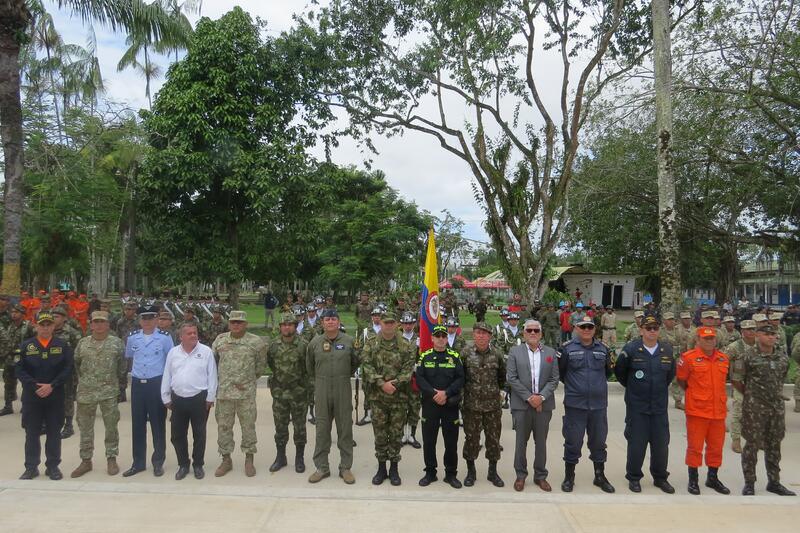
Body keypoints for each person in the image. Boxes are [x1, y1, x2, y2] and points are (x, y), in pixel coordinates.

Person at [615, 315, 676, 493]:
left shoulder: (666, 350)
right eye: (648, 328)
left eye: (655, 328)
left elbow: (669, 375)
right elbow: (621, 373)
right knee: (636, 444)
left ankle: (660, 477)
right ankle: (634, 477)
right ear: (641, 330)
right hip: (637, 407)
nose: (652, 331)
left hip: (658, 407)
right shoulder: (631, 349)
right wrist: (635, 389)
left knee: (661, 444)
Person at [732, 324, 795, 496]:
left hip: (776, 408)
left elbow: (781, 378)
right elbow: (737, 380)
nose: (771, 337)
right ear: (758, 335)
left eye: (773, 334)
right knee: (752, 445)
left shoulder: (781, 357)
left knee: (774, 445)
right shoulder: (747, 356)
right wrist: (752, 394)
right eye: (767, 334)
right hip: (755, 408)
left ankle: (774, 482)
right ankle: (749, 483)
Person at [557, 315, 615, 493]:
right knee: (573, 441)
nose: (587, 330)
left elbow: (607, 372)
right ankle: (569, 476)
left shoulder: (603, 349)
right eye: (583, 327)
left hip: (598, 405)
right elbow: (561, 373)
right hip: (576, 405)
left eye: (590, 327)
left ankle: (599, 475)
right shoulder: (566, 349)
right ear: (576, 328)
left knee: (598, 441)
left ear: (594, 329)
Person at [16, 312, 74, 480]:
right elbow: (19, 369)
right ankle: (31, 467)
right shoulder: (26, 346)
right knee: (31, 433)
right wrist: (35, 386)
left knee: (54, 432)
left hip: (54, 396)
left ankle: (53, 466)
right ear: (36, 326)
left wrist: (52, 385)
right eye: (42, 324)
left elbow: (68, 368)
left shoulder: (62, 345)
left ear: (53, 327)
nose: (46, 328)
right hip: (32, 397)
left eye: (49, 324)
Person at [360, 312, 416, 486]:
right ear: (381, 323)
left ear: (397, 324)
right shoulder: (371, 344)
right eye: (386, 323)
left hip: (398, 398)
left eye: (392, 323)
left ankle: (394, 468)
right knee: (380, 434)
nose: (389, 326)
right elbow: (366, 366)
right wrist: (381, 384)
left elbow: (408, 370)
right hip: (378, 398)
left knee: (396, 434)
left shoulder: (406, 346)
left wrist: (395, 383)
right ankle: (381, 467)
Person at [306, 308, 359, 484]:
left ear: (338, 321)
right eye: (327, 319)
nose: (330, 322)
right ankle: (322, 467)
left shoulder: (349, 341)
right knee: (322, 430)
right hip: (321, 388)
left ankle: (345, 468)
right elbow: (310, 367)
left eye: (333, 319)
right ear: (322, 323)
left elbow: (354, 364)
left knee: (345, 429)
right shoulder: (314, 343)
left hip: (342, 387)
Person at [70, 311, 127, 478]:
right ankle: (86, 460)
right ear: (91, 324)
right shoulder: (82, 343)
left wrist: (114, 383)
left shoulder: (116, 343)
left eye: (103, 322)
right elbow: (76, 365)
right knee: (85, 428)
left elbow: (122, 367)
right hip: (86, 392)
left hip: (109, 392)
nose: (99, 325)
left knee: (111, 427)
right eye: (96, 322)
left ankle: (111, 457)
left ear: (108, 324)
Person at [213, 310, 268, 477]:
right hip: (224, 394)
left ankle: (249, 459)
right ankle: (226, 459)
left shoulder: (256, 342)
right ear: (229, 323)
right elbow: (213, 362)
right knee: (223, 427)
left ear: (246, 324)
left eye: (239, 322)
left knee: (248, 427)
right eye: (233, 322)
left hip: (246, 395)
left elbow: (260, 367)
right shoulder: (220, 340)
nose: (236, 325)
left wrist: (246, 381)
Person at [676, 326, 730, 495]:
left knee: (716, 447)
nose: (709, 341)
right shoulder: (688, 358)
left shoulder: (723, 359)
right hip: (697, 411)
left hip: (718, 411)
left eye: (712, 338)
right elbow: (682, 380)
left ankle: (712, 478)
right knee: (695, 447)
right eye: (705, 339)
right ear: (698, 340)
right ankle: (693, 480)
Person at [507, 319, 559, 492]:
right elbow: (512, 378)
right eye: (529, 330)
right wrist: (530, 397)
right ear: (523, 333)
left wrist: (541, 397)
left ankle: (540, 476)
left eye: (536, 330)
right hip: (522, 405)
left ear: (541, 333)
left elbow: (554, 379)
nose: (532, 333)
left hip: (543, 406)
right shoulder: (515, 352)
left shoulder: (550, 352)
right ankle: (520, 475)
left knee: (541, 442)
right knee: (521, 442)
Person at [123, 305, 175, 478]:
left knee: (157, 425)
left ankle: (158, 462)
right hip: (138, 384)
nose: (147, 322)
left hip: (156, 384)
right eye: (144, 318)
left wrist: (169, 388)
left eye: (151, 318)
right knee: (137, 425)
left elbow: (171, 362)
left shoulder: (165, 338)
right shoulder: (132, 338)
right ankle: (138, 463)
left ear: (156, 320)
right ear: (139, 320)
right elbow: (130, 357)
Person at [162, 322, 217, 480]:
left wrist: (210, 397)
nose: (193, 335)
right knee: (177, 435)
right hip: (177, 399)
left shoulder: (206, 352)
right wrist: (165, 396)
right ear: (181, 337)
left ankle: (198, 464)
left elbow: (212, 375)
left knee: (199, 434)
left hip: (199, 399)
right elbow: (167, 374)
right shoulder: (173, 352)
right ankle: (183, 464)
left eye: (194, 332)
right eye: (189, 333)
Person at [416, 325, 465, 489]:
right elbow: (420, 379)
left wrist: (446, 393)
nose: (441, 339)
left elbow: (460, 378)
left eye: (444, 336)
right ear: (432, 338)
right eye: (437, 336)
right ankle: (430, 472)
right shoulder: (425, 356)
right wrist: (433, 393)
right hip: (430, 404)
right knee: (429, 441)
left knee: (451, 442)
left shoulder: (455, 356)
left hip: (449, 404)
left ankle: (451, 474)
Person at [461, 321, 507, 488]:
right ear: (473, 335)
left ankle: (492, 472)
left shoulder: (497, 354)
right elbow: (461, 378)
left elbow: (503, 377)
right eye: (478, 333)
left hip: (492, 407)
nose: (481, 336)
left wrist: (501, 393)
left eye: (484, 333)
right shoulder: (465, 353)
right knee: (471, 439)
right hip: (471, 406)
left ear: (490, 336)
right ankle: (470, 472)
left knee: (493, 440)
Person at [266, 312, 309, 474]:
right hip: (279, 393)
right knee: (280, 427)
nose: (286, 327)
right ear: (280, 328)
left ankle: (299, 458)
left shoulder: (304, 345)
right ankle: (281, 457)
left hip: (299, 393)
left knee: (300, 428)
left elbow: (308, 368)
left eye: (290, 324)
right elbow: (271, 364)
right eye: (283, 325)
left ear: (295, 327)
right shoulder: (273, 345)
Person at [726, 320, 757, 453]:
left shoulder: (760, 345)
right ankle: (736, 439)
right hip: (739, 383)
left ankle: (756, 439)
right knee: (738, 411)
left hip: (757, 385)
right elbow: (722, 361)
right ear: (742, 331)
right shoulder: (734, 347)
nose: (750, 332)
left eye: (752, 329)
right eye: (747, 329)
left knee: (757, 413)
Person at [0, 304, 35, 416]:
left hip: (24, 359)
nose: (13, 314)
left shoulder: (29, 327)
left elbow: (35, 341)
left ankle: (26, 406)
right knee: (8, 382)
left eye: (16, 312)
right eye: (12, 312)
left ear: (22, 314)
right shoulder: (10, 326)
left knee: (26, 383)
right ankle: (8, 405)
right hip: (10, 358)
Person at [399, 312, 422, 448]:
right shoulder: (396, 338)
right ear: (401, 324)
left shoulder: (419, 339)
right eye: (405, 323)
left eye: (410, 323)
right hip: (401, 378)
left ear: (414, 324)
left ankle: (412, 435)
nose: (408, 326)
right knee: (401, 407)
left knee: (414, 406)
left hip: (414, 377)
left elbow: (423, 357)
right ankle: (402, 435)